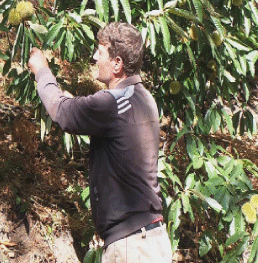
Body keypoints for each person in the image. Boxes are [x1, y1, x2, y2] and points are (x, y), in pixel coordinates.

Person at [27, 22, 172, 263]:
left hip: (133, 247)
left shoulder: (112, 103)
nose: (94, 57)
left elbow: (63, 112)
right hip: (150, 240)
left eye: (100, 52)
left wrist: (42, 71)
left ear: (117, 64)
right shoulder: (143, 98)